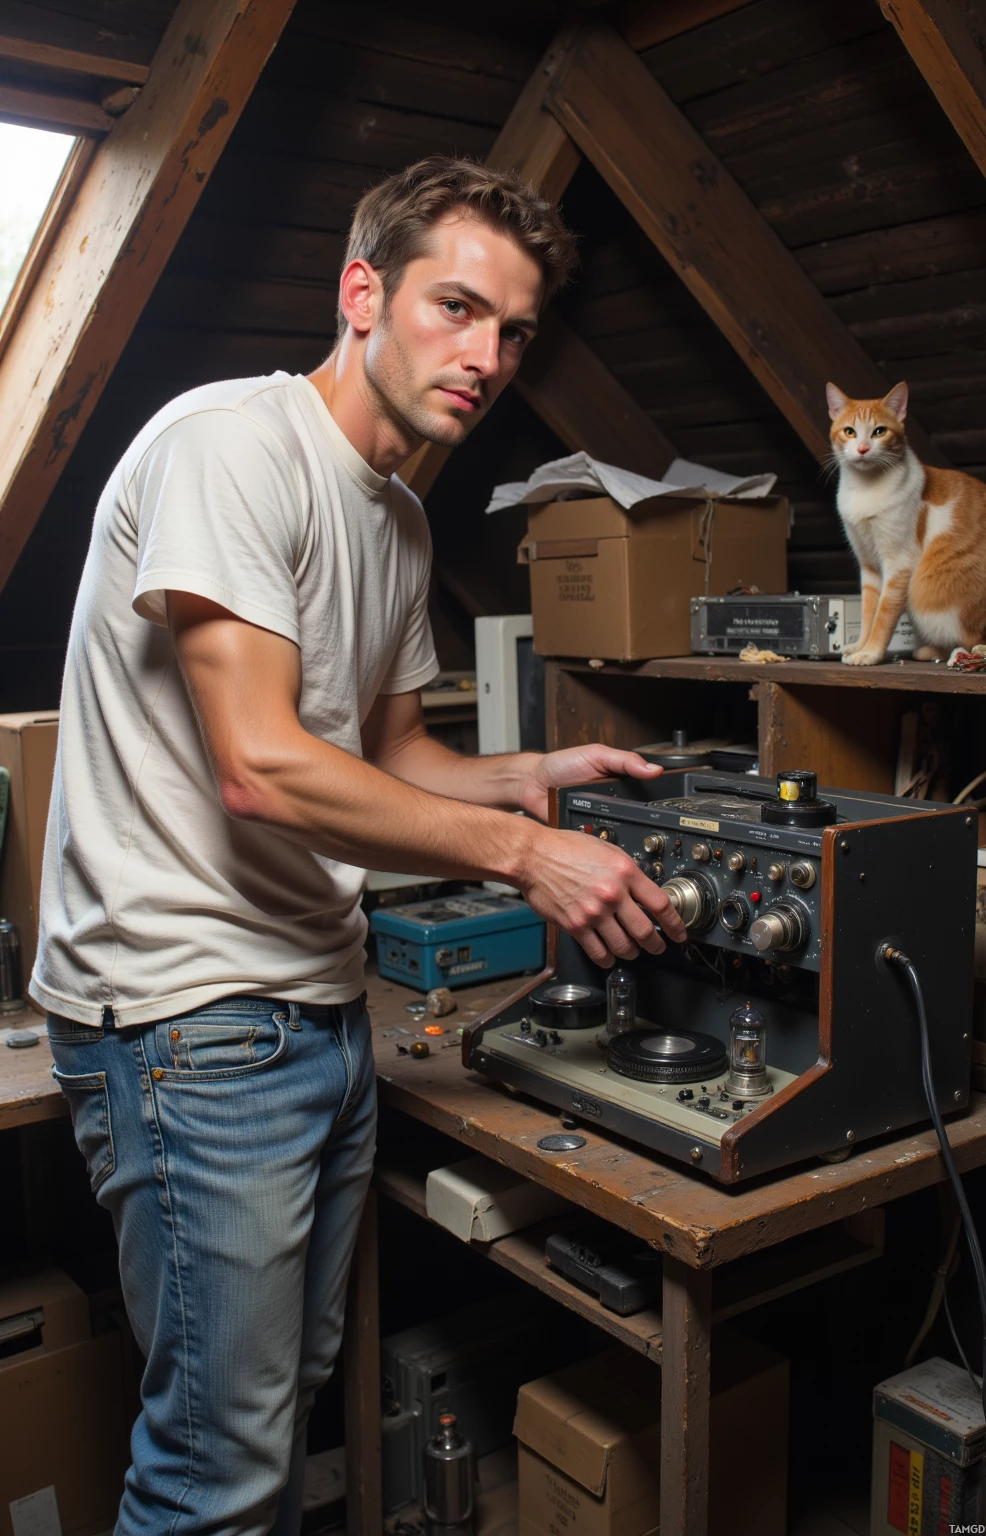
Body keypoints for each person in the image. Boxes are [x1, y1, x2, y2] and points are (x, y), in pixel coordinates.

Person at [32, 156, 686, 1534]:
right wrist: (526, 860)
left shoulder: (391, 514)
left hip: (319, 1015)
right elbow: (264, 764)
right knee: (220, 1473)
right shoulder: (232, 447)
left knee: (278, 1410)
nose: (487, 356)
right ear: (362, 292)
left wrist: (533, 777)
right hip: (192, 1017)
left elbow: (390, 755)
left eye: (511, 331)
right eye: (455, 308)